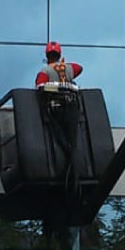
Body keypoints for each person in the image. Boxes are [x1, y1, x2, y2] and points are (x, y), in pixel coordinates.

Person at [35, 42, 84, 199]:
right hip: (72, 108)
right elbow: (79, 67)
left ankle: (67, 179)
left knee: (61, 141)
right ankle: (75, 181)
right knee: (73, 144)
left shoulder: (45, 70)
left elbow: (39, 87)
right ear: (60, 54)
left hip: (56, 109)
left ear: (46, 56)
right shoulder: (69, 68)